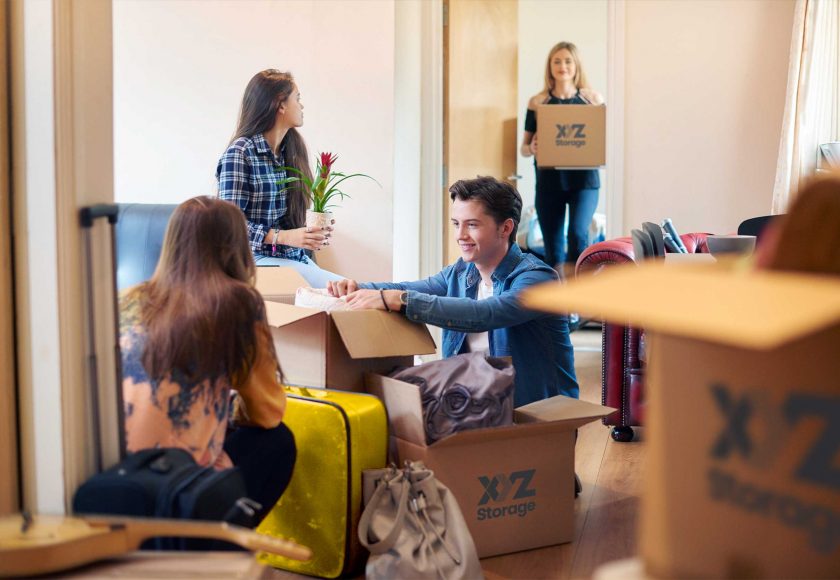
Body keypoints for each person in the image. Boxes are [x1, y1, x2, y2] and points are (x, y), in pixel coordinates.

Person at [328, 176, 579, 407]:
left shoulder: (539, 278)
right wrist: (357, 287)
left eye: (472, 225)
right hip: (478, 406)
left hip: (538, 412)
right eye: (456, 224)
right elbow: (408, 288)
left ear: (506, 228)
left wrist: (399, 300)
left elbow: (486, 314)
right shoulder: (460, 273)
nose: (460, 235)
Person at [120, 196, 295, 524]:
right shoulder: (236, 302)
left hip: (115, 477)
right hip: (174, 491)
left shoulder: (128, 297)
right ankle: (212, 547)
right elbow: (267, 413)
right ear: (236, 248)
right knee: (278, 442)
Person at [217, 69, 341, 287]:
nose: (302, 106)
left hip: (290, 259)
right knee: (350, 291)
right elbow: (228, 228)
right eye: (298, 99)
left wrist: (312, 231)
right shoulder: (240, 153)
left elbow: (285, 221)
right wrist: (283, 237)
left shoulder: (291, 151)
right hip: (253, 262)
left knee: (352, 292)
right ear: (280, 104)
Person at [521, 41, 604, 276]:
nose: (562, 66)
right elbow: (524, 148)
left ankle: (581, 300)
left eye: (568, 61)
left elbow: (603, 140)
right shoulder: (537, 102)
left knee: (578, 236)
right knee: (553, 248)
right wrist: (533, 146)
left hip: (585, 182)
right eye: (556, 61)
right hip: (549, 183)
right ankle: (557, 309)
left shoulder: (593, 99)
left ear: (576, 65)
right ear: (550, 66)